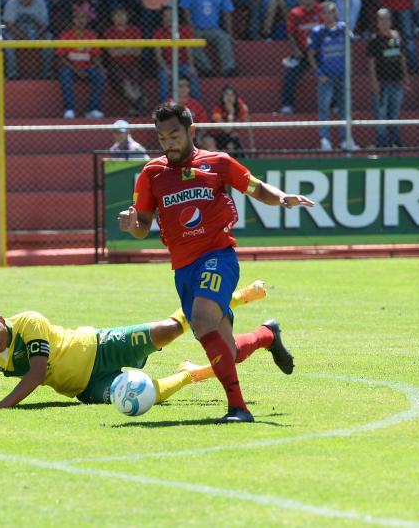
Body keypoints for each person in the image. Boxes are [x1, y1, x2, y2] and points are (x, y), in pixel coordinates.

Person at [118, 102, 312, 423]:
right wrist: (132, 224)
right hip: (183, 270)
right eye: (162, 137)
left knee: (202, 321)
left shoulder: (218, 163)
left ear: (191, 131)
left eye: (175, 134)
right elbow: (141, 227)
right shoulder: (152, 174)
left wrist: (281, 198)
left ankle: (239, 409)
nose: (169, 142)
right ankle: (267, 335)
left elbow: (255, 187)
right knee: (228, 351)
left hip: (218, 257)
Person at [0, 289, 281, 410]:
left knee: (171, 329)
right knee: (145, 396)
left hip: (102, 346)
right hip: (86, 388)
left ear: (0, 318)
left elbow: (37, 372)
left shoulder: (28, 322)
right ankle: (188, 374)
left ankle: (232, 296)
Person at [308, 1, 356, 151]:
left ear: (336, 13)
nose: (329, 16)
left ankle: (345, 140)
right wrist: (319, 72)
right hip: (326, 77)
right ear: (322, 15)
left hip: (342, 76)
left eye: (332, 12)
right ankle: (325, 140)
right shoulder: (318, 32)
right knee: (324, 108)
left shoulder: (343, 29)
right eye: (326, 13)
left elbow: (350, 49)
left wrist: (349, 70)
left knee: (344, 108)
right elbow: (311, 54)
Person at [179, 0, 236, 77]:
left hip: (214, 28)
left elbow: (227, 11)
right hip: (196, 29)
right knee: (191, 43)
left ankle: (228, 69)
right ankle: (206, 69)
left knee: (224, 39)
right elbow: (185, 9)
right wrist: (190, 30)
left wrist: (229, 33)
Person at [367, 8, 409, 148]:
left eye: (387, 19)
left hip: (396, 82)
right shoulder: (374, 40)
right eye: (381, 19)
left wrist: (405, 76)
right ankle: (381, 143)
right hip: (382, 83)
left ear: (391, 21)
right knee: (381, 116)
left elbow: (402, 55)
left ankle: (395, 142)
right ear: (377, 22)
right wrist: (374, 82)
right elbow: (371, 61)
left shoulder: (396, 36)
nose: (384, 22)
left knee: (394, 115)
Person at [57, 2, 105, 120]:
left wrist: (99, 67)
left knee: (99, 75)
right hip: (70, 67)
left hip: (88, 67)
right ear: (73, 20)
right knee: (64, 73)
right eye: (78, 17)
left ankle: (91, 109)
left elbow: (96, 56)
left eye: (84, 18)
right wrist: (76, 69)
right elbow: (61, 57)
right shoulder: (66, 35)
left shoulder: (92, 35)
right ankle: (70, 109)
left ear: (88, 20)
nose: (81, 20)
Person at [280, 0, 322, 115]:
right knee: (289, 75)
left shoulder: (321, 11)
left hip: (320, 52)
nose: (307, 1)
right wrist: (296, 49)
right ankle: (287, 105)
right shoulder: (295, 13)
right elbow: (291, 33)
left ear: (315, 0)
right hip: (302, 53)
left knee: (332, 73)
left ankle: (334, 105)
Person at [152, 5, 201, 105]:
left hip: (183, 64)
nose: (169, 18)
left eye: (171, 15)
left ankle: (196, 104)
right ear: (162, 18)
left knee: (192, 74)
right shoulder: (158, 33)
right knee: (164, 76)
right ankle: (164, 105)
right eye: (166, 16)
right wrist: (165, 68)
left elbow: (189, 50)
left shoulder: (184, 30)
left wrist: (191, 66)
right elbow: (158, 55)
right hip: (167, 65)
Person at [104, 6, 146, 115]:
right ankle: (139, 101)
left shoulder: (135, 30)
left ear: (127, 17)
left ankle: (136, 105)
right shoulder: (109, 32)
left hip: (132, 62)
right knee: (124, 80)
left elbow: (138, 52)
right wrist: (129, 47)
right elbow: (112, 53)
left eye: (122, 15)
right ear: (112, 18)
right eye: (117, 15)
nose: (120, 18)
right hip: (116, 64)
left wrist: (121, 49)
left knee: (135, 78)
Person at [2, 0, 52, 80]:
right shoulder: (12, 3)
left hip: (36, 32)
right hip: (16, 32)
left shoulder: (40, 3)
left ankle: (47, 74)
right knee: (8, 40)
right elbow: (9, 25)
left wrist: (36, 36)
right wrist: (22, 37)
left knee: (48, 38)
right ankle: (12, 74)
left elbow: (44, 24)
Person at [210, 85, 249, 154]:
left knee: (234, 139)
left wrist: (252, 147)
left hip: (233, 136)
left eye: (232, 95)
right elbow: (227, 130)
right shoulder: (216, 110)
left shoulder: (240, 105)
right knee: (231, 142)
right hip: (217, 136)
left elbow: (248, 124)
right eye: (226, 94)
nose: (229, 97)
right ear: (222, 97)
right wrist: (231, 113)